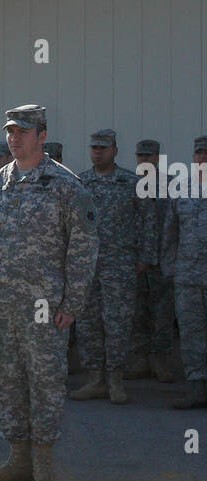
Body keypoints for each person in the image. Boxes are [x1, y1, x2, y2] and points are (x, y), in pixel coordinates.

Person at [0, 106, 98, 481]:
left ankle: (43, 465)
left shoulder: (65, 186)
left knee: (44, 381)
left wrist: (73, 302)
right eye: (10, 131)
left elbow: (83, 245)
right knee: (3, 379)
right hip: (1, 301)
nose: (15, 138)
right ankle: (17, 459)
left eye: (23, 131)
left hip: (44, 305)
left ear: (42, 136)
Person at [72, 130, 158, 404]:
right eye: (94, 147)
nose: (97, 152)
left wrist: (145, 257)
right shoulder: (80, 183)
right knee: (88, 324)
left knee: (118, 323)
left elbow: (149, 221)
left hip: (120, 265)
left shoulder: (131, 182)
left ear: (115, 151)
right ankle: (95, 379)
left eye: (103, 148)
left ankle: (116, 380)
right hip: (87, 264)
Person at [161, 136, 207, 409]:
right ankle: (197, 387)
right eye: (199, 154)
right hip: (188, 277)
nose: (202, 158)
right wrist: (170, 269)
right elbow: (170, 233)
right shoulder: (182, 189)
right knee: (191, 333)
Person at [126, 138, 175, 382]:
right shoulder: (129, 184)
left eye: (149, 156)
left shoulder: (172, 185)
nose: (144, 160)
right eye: (140, 156)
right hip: (136, 261)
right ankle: (140, 359)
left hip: (162, 261)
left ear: (157, 157)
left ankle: (161, 360)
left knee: (163, 313)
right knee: (137, 313)